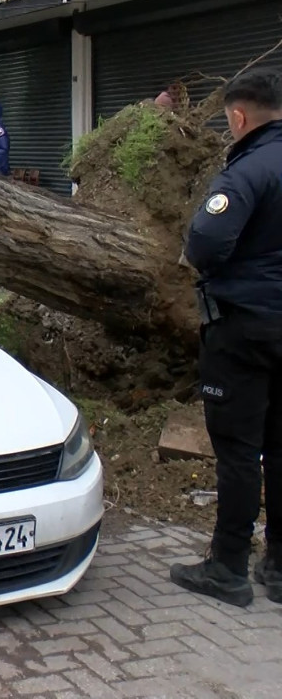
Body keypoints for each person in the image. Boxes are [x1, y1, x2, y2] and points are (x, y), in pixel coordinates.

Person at [170, 67, 282, 607]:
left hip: (243, 329)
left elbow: (207, 240)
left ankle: (228, 566)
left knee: (239, 450)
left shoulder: (246, 170)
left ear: (239, 116)